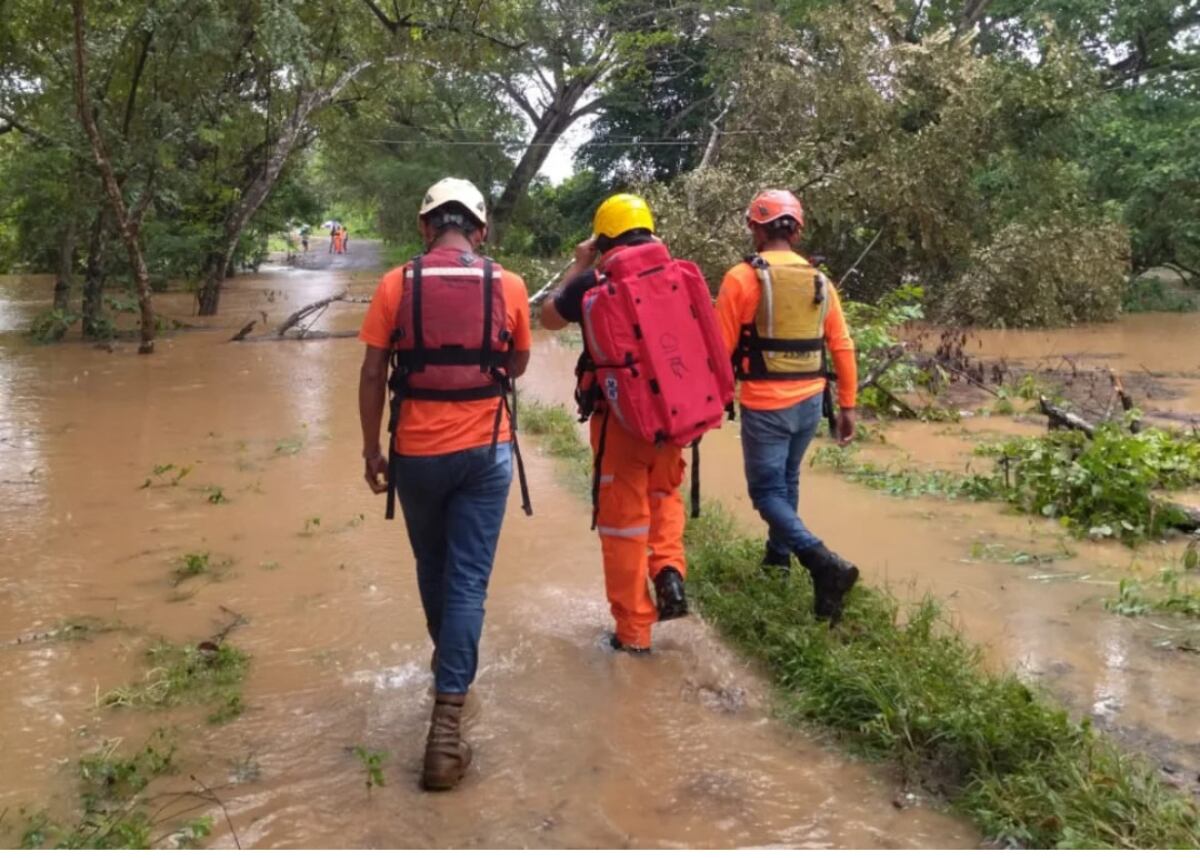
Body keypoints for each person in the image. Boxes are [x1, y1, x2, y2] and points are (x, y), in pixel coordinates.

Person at [357, 177, 532, 790]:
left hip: (416, 453)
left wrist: (371, 447)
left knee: (433, 569)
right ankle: (448, 720)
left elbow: (375, 370)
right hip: (486, 452)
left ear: (426, 227)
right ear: (480, 231)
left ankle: (447, 671)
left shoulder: (393, 284)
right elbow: (516, 364)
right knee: (467, 583)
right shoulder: (508, 285)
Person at [540, 194, 697, 655]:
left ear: (603, 238)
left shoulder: (591, 281)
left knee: (624, 527)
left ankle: (633, 634)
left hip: (620, 425)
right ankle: (669, 570)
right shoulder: (677, 274)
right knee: (664, 495)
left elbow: (548, 319)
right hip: (673, 419)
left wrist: (579, 264)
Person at [715, 189, 860, 625]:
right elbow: (842, 344)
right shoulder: (820, 281)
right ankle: (777, 559)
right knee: (788, 479)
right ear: (796, 230)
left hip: (765, 402)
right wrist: (849, 406)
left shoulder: (741, 278)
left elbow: (720, 350)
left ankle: (821, 563)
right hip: (811, 402)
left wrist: (718, 398)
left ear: (756, 227)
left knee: (766, 493)